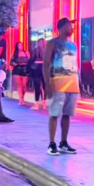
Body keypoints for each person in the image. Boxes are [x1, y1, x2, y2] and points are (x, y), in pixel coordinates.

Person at [43, 18, 80, 155]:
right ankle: (51, 143)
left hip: (72, 83)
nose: (71, 28)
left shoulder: (73, 45)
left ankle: (63, 142)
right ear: (62, 27)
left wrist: (78, 80)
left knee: (67, 114)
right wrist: (47, 84)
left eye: (72, 26)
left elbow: (75, 64)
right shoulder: (52, 43)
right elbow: (46, 64)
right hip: (57, 83)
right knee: (54, 113)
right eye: (69, 26)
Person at [28, 38, 47, 111]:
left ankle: (37, 104)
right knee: (44, 87)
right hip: (45, 69)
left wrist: (29, 68)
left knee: (37, 87)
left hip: (36, 69)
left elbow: (31, 60)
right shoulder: (47, 50)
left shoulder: (35, 50)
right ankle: (44, 104)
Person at [11, 42, 30, 106]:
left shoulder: (26, 53)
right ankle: (21, 99)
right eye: (19, 45)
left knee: (24, 86)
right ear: (17, 47)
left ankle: (23, 98)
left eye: (21, 45)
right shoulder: (15, 54)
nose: (20, 46)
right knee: (19, 85)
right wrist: (14, 63)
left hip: (24, 69)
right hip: (17, 69)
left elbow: (29, 61)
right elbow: (11, 62)